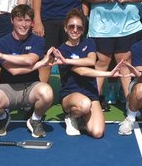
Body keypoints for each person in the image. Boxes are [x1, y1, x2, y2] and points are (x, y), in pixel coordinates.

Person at [0, 5, 51, 138]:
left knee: (47, 93)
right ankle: (3, 117)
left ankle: (35, 119)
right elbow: (14, 71)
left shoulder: (38, 40)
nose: (23, 25)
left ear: (32, 23)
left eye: (27, 20)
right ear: (12, 21)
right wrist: (40, 63)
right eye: (19, 20)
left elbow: (30, 60)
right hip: (7, 88)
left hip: (31, 87)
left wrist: (3, 56)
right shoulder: (1, 43)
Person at [50, 9, 119, 138]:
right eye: (71, 26)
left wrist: (66, 61)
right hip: (70, 95)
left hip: (90, 93)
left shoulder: (89, 43)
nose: (75, 30)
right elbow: (82, 71)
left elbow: (91, 60)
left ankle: (81, 117)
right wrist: (109, 74)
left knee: (97, 132)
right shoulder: (62, 50)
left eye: (79, 27)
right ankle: (71, 116)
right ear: (65, 28)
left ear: (83, 30)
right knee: (84, 104)